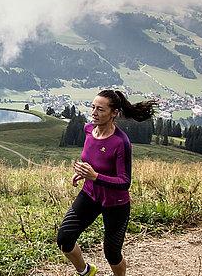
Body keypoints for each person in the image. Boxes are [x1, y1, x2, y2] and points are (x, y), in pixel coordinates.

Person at [55, 90, 157, 276]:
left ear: (114, 113)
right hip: (90, 195)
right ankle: (86, 272)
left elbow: (125, 182)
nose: (94, 112)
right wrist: (83, 173)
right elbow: (91, 158)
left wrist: (95, 176)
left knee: (112, 253)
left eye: (100, 109)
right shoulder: (88, 130)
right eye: (93, 107)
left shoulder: (121, 142)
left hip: (115, 204)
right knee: (64, 239)